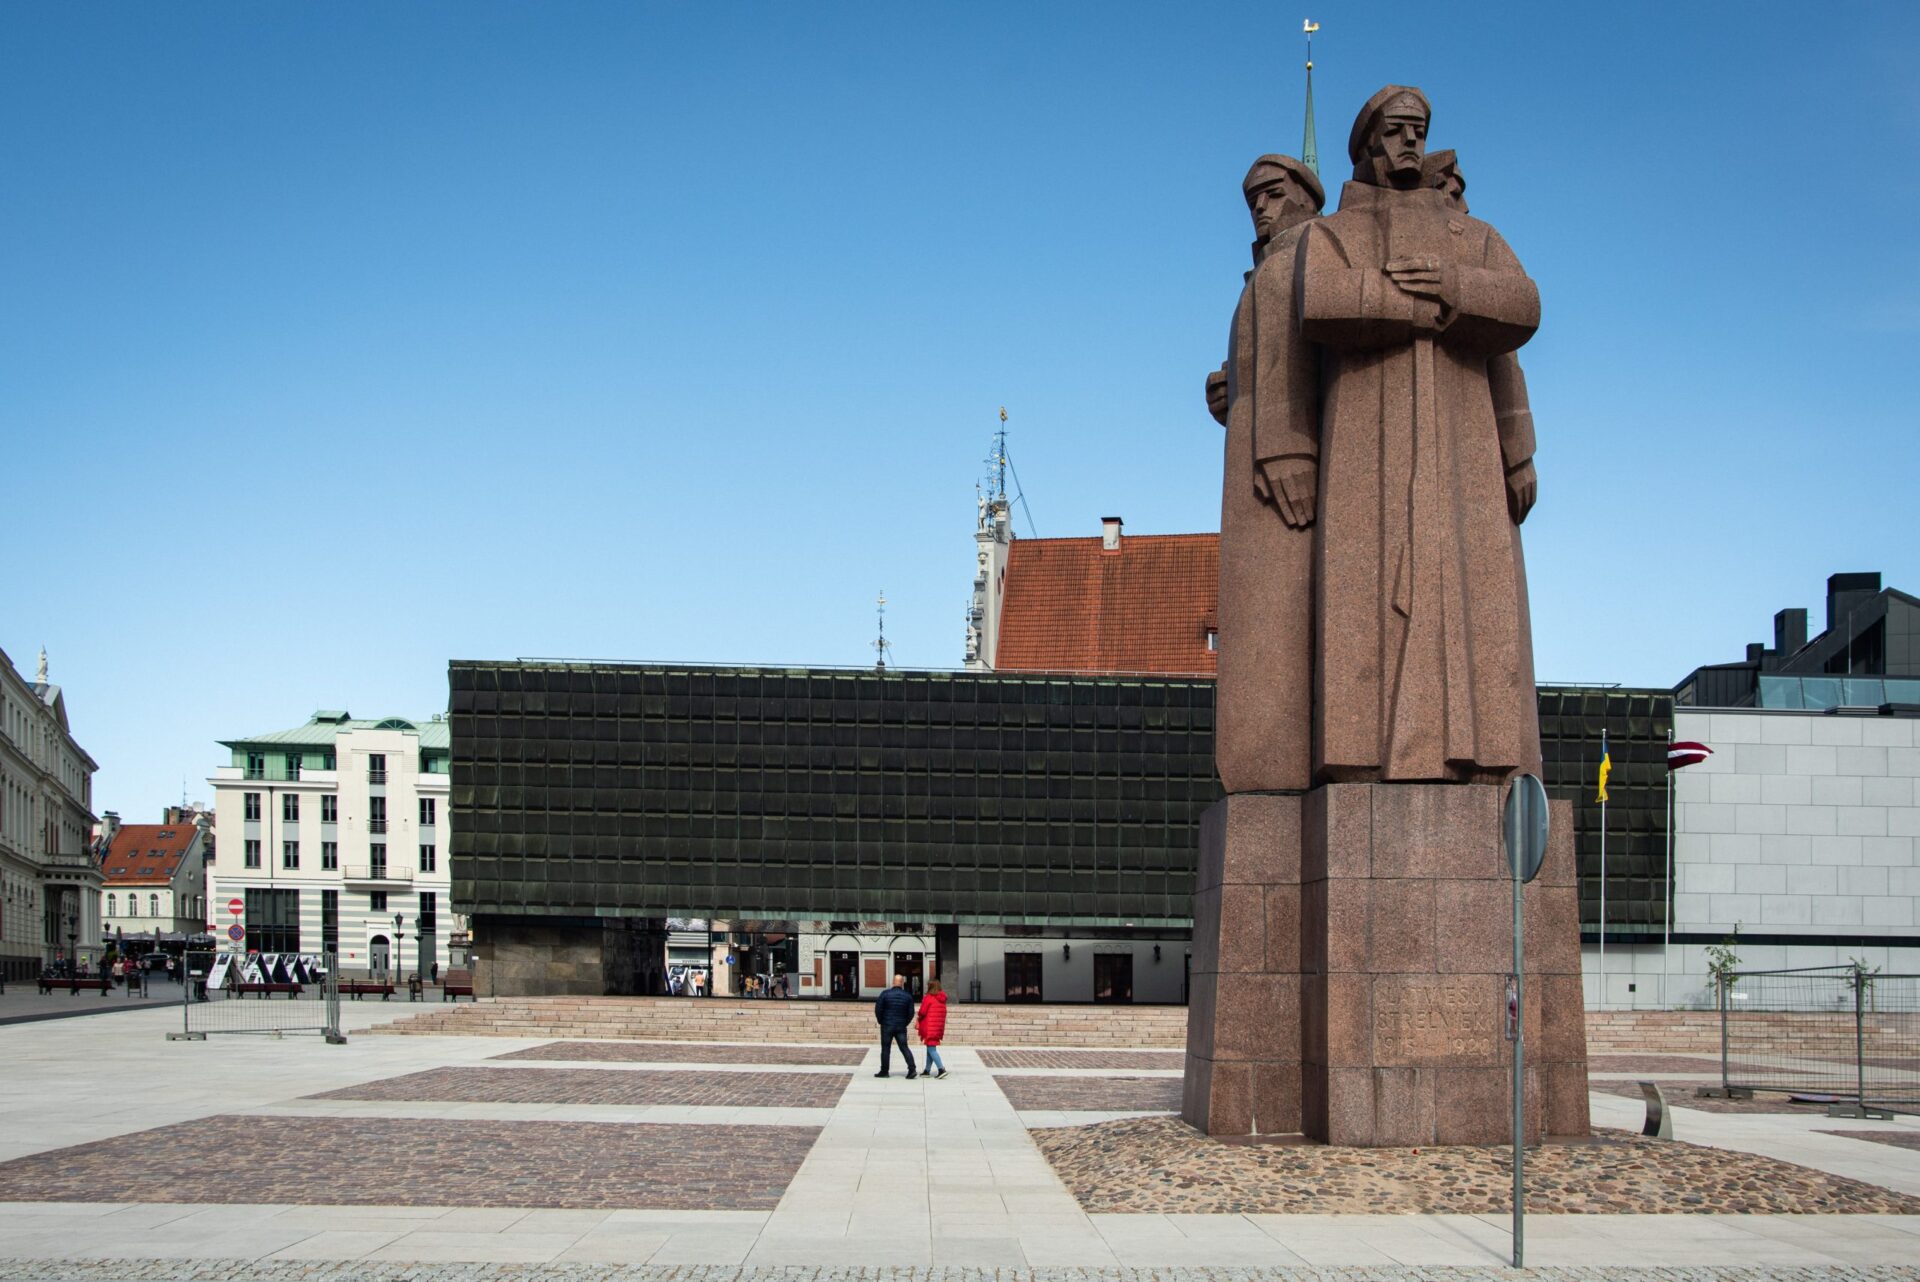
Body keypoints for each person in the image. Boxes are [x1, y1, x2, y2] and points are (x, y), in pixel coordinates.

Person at [1292, 86, 1543, 782]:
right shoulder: (1331, 234)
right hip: (1365, 448)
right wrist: (1420, 305)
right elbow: (1324, 303)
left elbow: (1523, 305)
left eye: (1419, 131)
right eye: (1396, 131)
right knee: (1364, 598)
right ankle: (1362, 758)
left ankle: (1479, 755)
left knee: (1468, 592)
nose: (1409, 143)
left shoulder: (1475, 238)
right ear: (1368, 144)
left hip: (1458, 448)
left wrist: (1454, 285)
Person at [1211, 151, 1326, 792]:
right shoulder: (1262, 273)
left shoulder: (1311, 255)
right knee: (1259, 621)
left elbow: (1304, 363)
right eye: (1253, 196)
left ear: (1308, 197)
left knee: (1281, 613)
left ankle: (1273, 766)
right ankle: (1258, 765)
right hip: (1250, 467)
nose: (1260, 206)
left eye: (1274, 193)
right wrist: (1230, 391)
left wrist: (1286, 446)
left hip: (1283, 470)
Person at [873, 972, 917, 1078]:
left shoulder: (885, 994)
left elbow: (878, 1009)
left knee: (885, 1048)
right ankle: (912, 1069)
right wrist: (905, 1022)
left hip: (887, 1025)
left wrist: (881, 1021)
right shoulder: (907, 996)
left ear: (893, 982)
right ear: (902, 983)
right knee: (904, 1047)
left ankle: (884, 1071)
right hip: (901, 1025)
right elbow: (911, 1013)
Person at [916, 979, 950, 1079]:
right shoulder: (942, 999)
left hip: (929, 1027)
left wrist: (918, 1018)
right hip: (938, 1027)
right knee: (930, 1048)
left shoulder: (928, 998)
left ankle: (941, 1069)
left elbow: (922, 1012)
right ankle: (927, 1070)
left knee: (931, 1049)